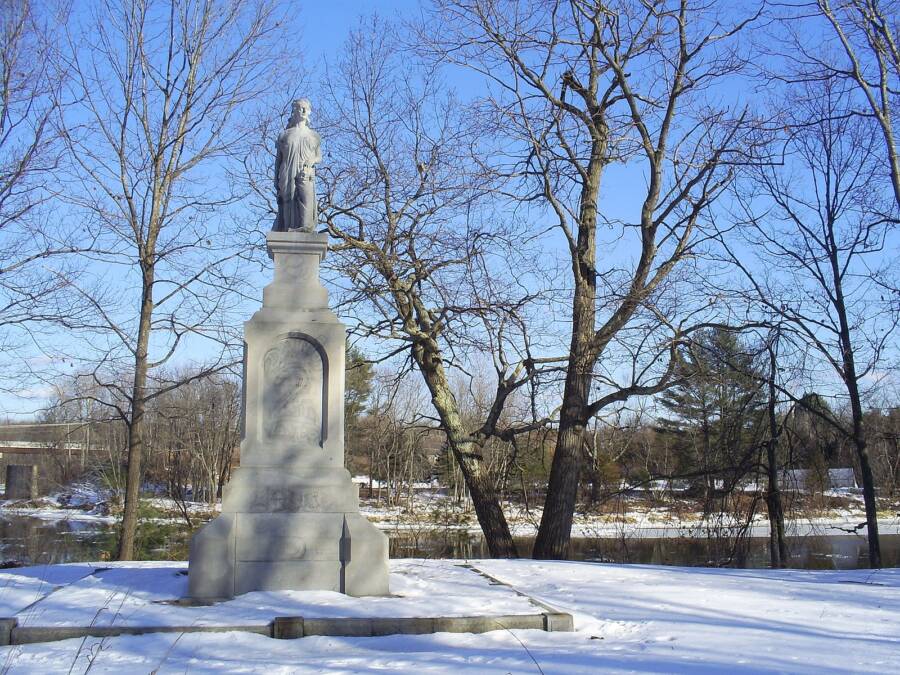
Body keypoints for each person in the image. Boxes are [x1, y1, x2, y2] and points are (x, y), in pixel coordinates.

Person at [273, 98, 321, 232]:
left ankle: (304, 228)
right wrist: (275, 179)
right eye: (300, 107)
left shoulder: (314, 136)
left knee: (306, 201)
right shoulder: (285, 134)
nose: (303, 110)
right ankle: (288, 231)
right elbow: (278, 159)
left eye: (306, 108)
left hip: (305, 172)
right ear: (294, 111)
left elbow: (319, 156)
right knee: (288, 201)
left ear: (310, 111)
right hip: (287, 171)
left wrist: (312, 161)